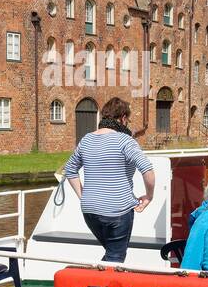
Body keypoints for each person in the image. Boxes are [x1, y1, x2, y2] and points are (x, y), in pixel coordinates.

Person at [63, 97, 156, 263]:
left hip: (90, 211)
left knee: (111, 253)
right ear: (123, 118)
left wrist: (83, 196)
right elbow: (147, 169)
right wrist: (149, 196)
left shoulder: (87, 139)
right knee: (115, 257)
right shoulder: (125, 141)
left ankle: (103, 283)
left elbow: (70, 169)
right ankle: (97, 286)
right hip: (117, 211)